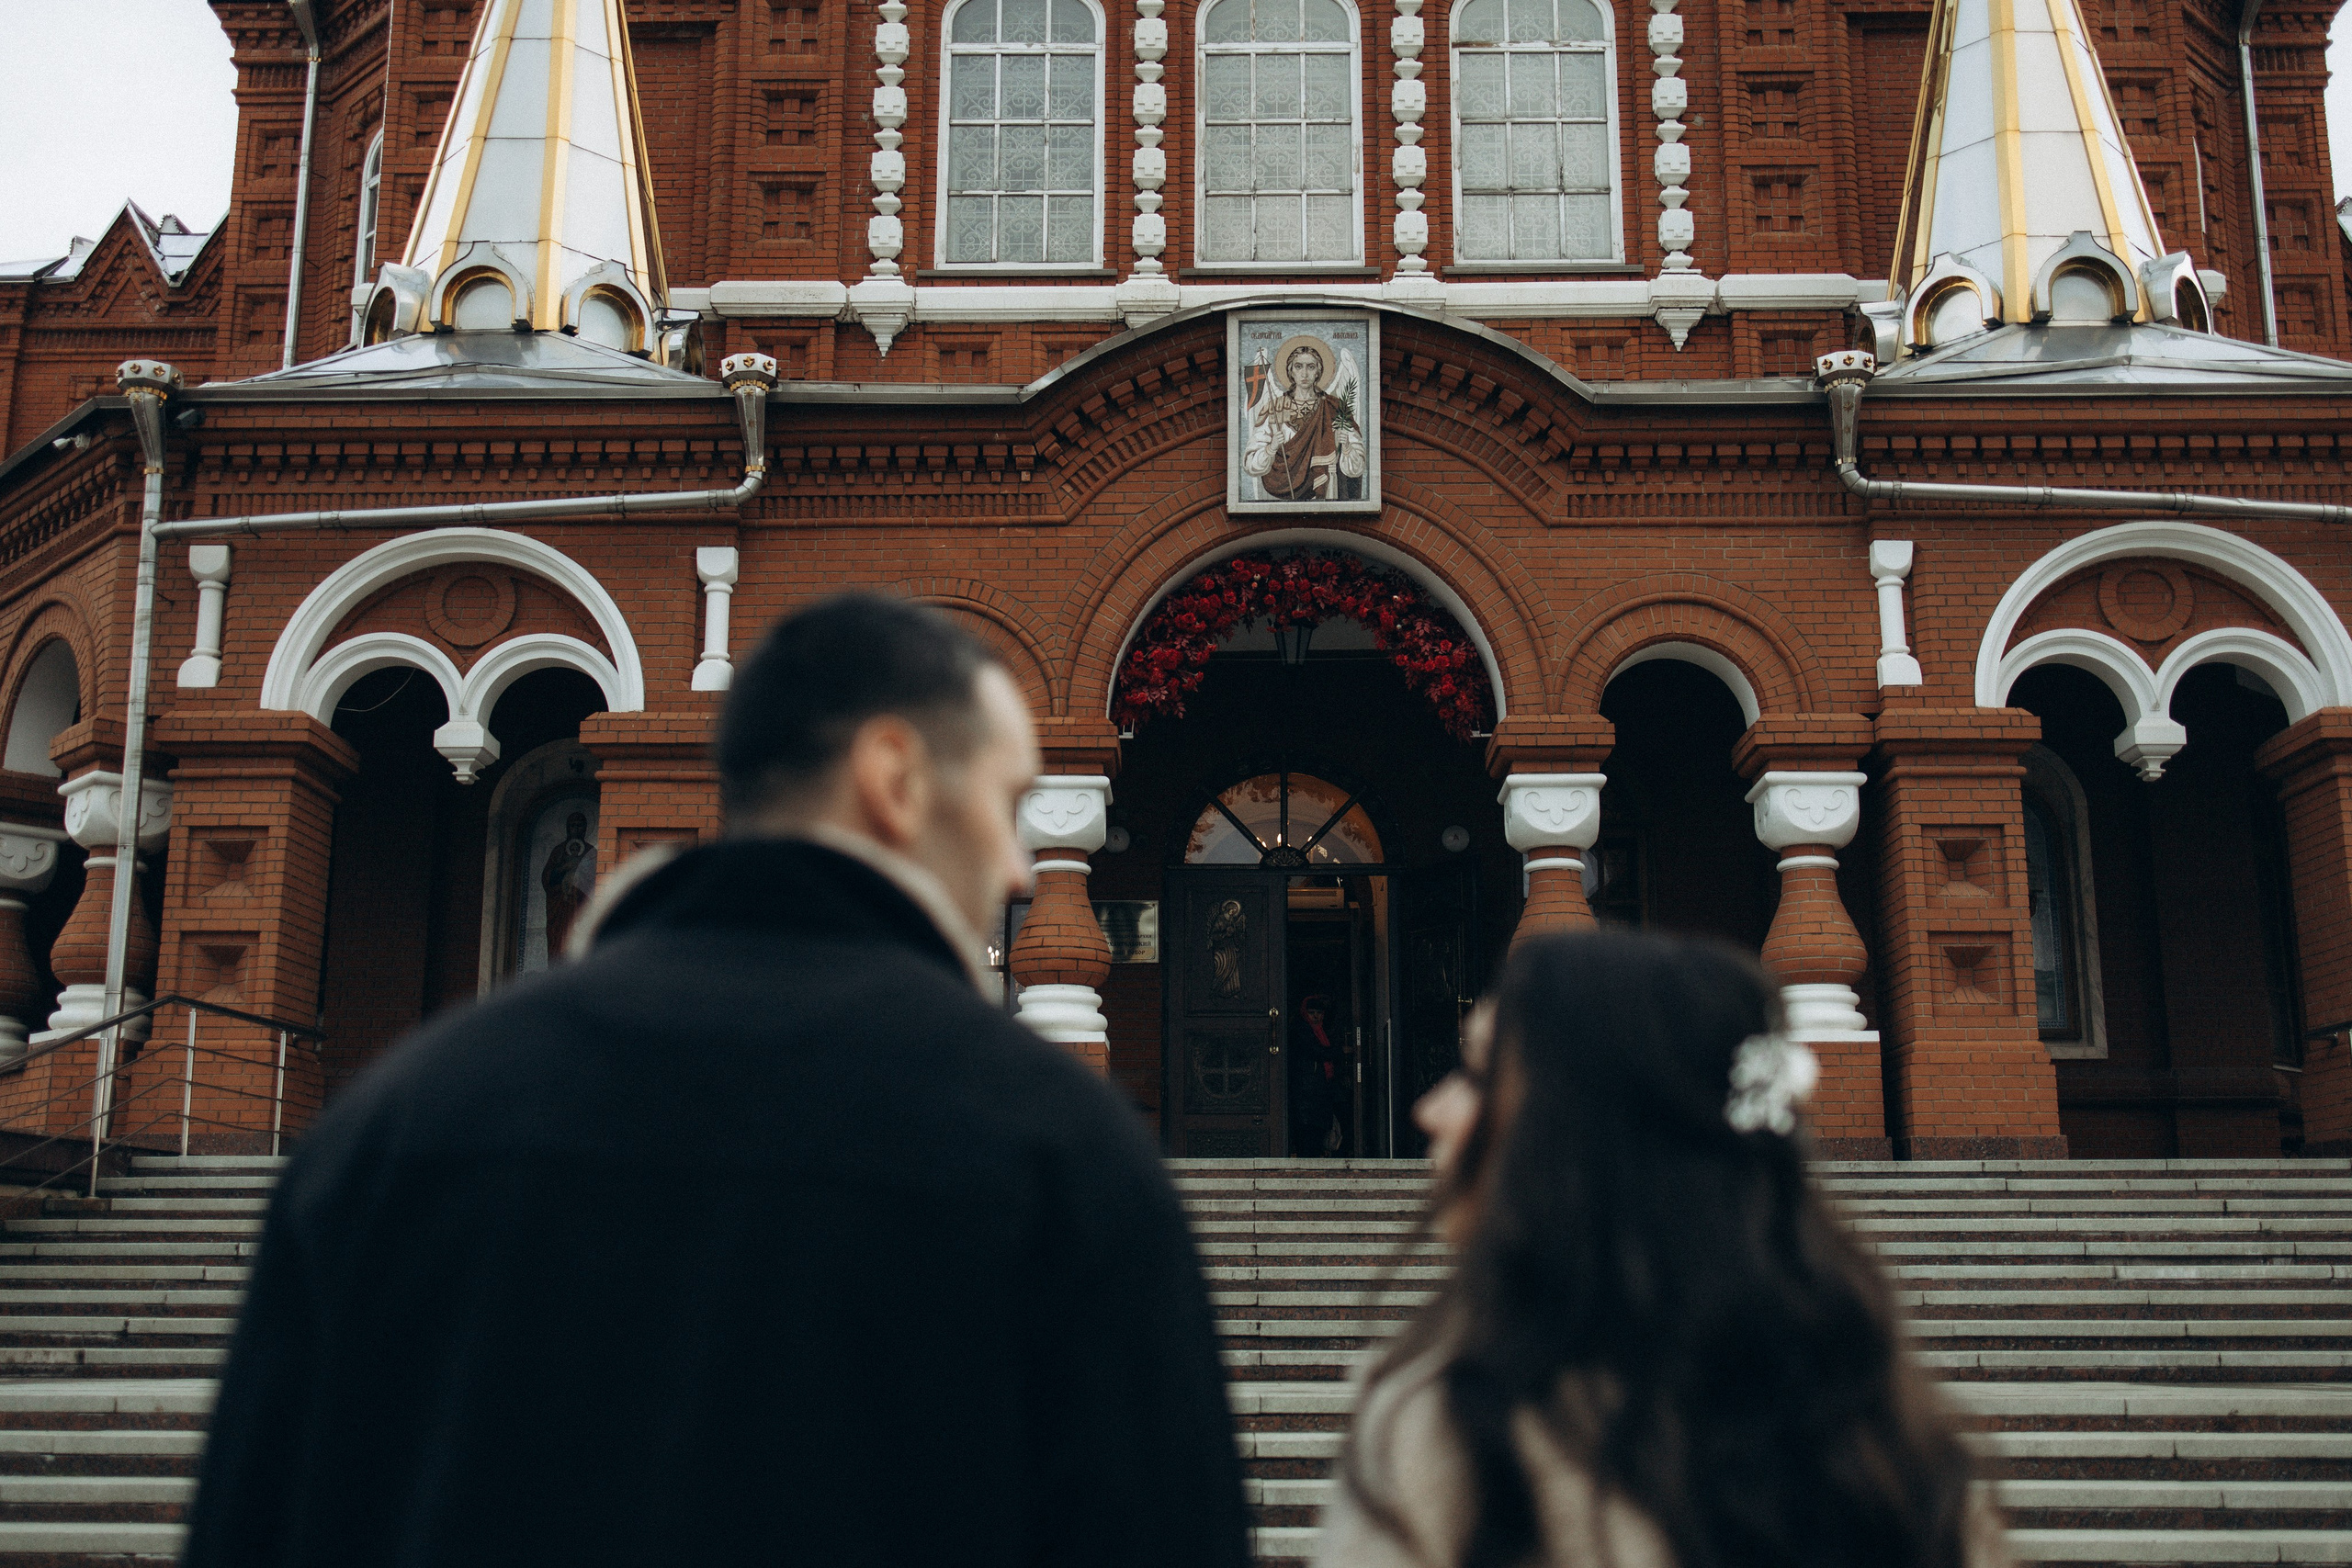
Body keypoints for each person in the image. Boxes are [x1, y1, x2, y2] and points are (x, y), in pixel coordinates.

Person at [182, 594, 1252, 1568]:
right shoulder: (1056, 1147)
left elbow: (256, 1522)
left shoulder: (398, 1122)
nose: (1022, 866)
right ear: (895, 778)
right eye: (1007, 799)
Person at [1317, 930, 2003, 1568]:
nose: (1429, 1109)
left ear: (1589, 1131)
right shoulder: (1886, 1446)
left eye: (1476, 1074)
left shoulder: (1451, 1438)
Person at [1244, 341, 1368, 502]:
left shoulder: (1334, 408)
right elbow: (1250, 464)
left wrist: (1347, 448)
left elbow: (1357, 468)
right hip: (1283, 486)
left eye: (1310, 367)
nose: (1304, 374)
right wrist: (1272, 447)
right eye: (1298, 366)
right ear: (1291, 371)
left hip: (1327, 490)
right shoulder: (1276, 409)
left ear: (1318, 372)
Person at [1289, 992, 1346, 1156]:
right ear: (1304, 1013)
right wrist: (1340, 1051)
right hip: (1307, 1095)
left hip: (1317, 1096)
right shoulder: (1302, 1030)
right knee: (1309, 1134)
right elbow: (1317, 1052)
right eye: (1311, 1013)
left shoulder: (1322, 1032)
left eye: (1319, 1013)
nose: (1315, 1017)